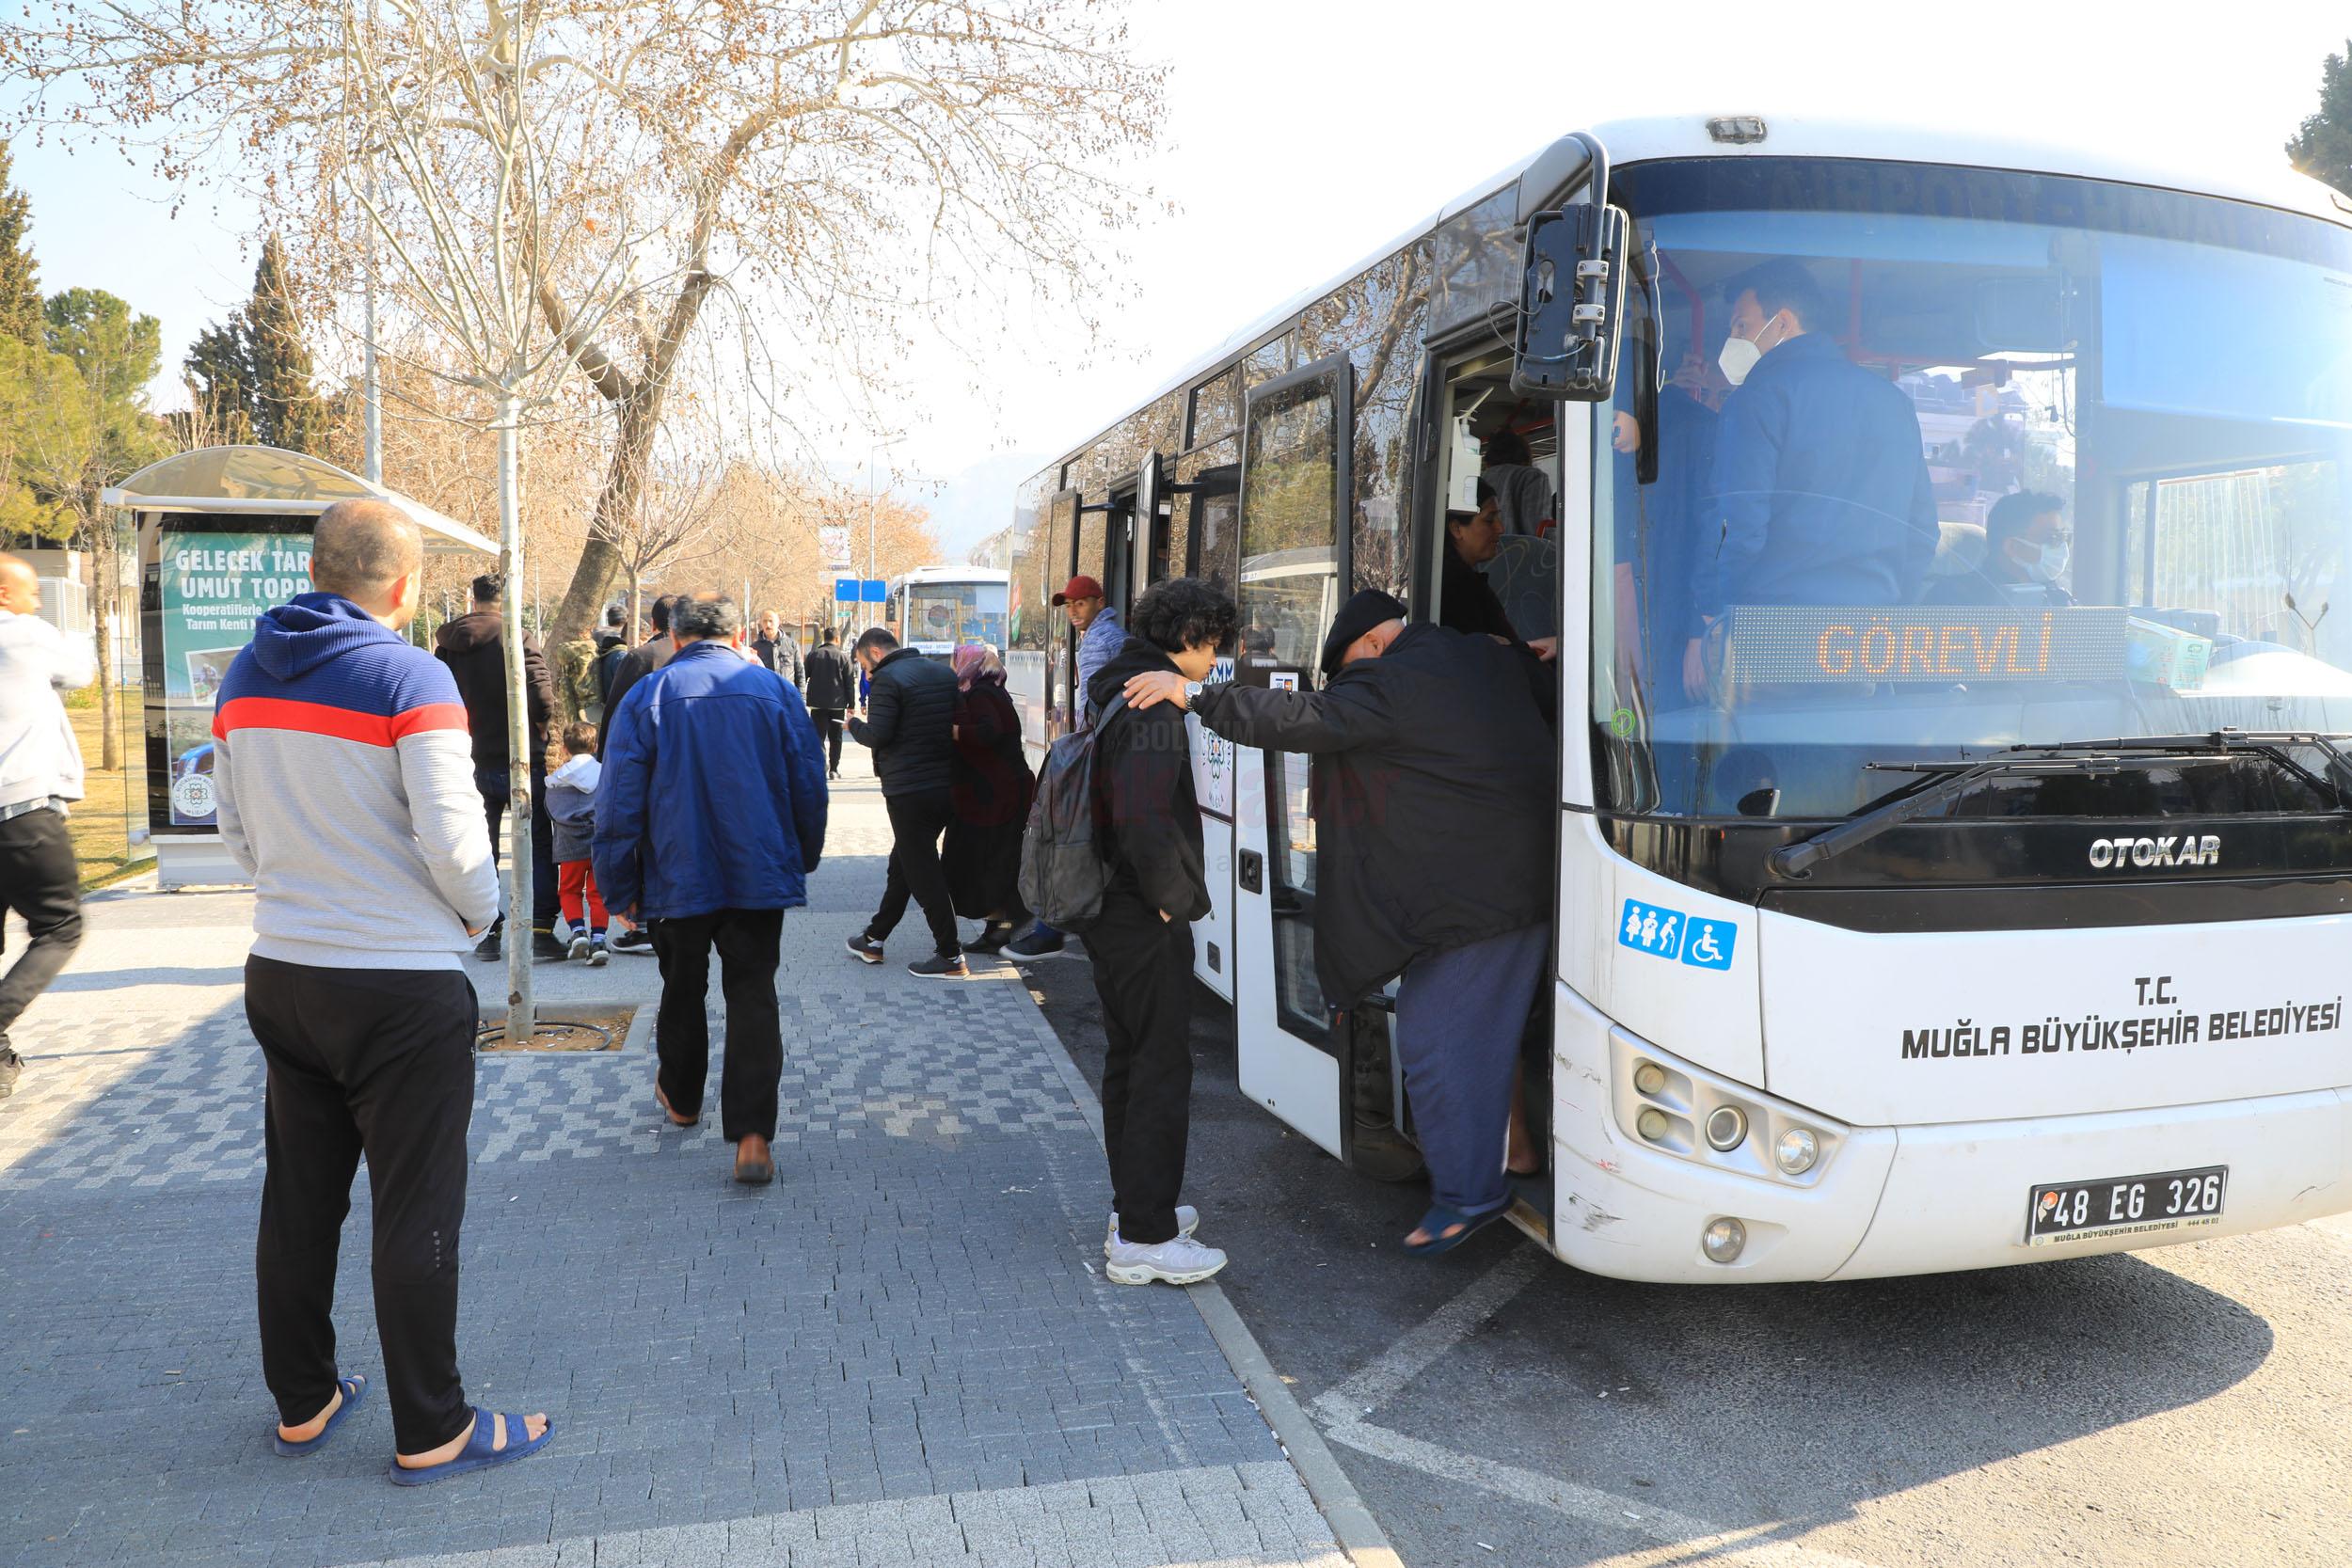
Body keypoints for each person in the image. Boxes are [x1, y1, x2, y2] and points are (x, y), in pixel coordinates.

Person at [211, 499, 551, 1483]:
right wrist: (482, 919)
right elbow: (454, 840)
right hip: (398, 985)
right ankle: (433, 1423)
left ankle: (304, 1399)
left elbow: (237, 829)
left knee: (300, 1200)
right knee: (418, 1205)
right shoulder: (410, 674)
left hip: (284, 971)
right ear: (403, 586)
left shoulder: (243, 671)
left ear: (316, 571)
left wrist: (295, 893)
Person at [1123, 589, 1554, 1256]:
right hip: (1514, 882)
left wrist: (1198, 698)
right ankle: (1516, 1152)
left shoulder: (1397, 677)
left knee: (1434, 1038)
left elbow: (1307, 718)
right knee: (1486, 1027)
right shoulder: (1479, 658)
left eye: (1352, 667)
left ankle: (1471, 1193)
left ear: (1375, 645)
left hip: (1481, 902)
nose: (1352, 681)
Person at [594, 592, 827, 1184]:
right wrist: (802, 855)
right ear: (738, 634)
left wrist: (617, 885)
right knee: (753, 996)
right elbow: (809, 783)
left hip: (676, 872)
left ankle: (682, 1097)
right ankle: (752, 1137)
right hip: (757, 874)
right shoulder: (774, 692)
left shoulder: (649, 696)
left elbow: (618, 802)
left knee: (681, 986)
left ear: (675, 638)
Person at [1687, 259, 1937, 697]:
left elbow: (1737, 525)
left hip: (1778, 639)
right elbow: (1922, 531)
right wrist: (1887, 603)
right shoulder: (1894, 403)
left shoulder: (1758, 398)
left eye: (1741, 326)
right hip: (1870, 642)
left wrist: (1710, 617)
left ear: (1782, 322)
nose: (1734, 340)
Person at [1087, 577, 1237, 1286]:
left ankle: (1135, 1208)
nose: (1216, 660)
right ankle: (1144, 1235)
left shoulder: (1117, 685)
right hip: (1140, 913)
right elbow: (1145, 820)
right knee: (1159, 1067)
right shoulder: (1155, 707)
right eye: (1214, 645)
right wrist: (1173, 903)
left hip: (1110, 910)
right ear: (1188, 636)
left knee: (1130, 1058)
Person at [0, 552, 94, 1101]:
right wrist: (75, 630)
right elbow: (80, 670)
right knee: (60, 928)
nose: (38, 601)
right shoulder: (26, 634)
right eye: (31, 591)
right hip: (23, 812)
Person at [433, 574, 562, 962]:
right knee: (537, 842)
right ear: (506, 599)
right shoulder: (518, 637)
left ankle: (487, 930)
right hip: (519, 757)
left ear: (472, 599)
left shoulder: (448, 646)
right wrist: (541, 727)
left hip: (469, 757)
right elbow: (541, 697)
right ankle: (540, 930)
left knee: (479, 846)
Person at [844, 626, 964, 975]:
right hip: (944, 787)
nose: (866, 673)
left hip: (907, 791)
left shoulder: (887, 679)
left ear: (876, 653)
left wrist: (854, 725)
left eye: (864, 664)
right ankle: (874, 938)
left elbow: (879, 734)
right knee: (904, 865)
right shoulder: (943, 674)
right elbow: (957, 724)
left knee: (923, 873)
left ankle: (950, 955)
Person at [944, 642, 1035, 954]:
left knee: (991, 864)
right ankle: (998, 930)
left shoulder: (982, 693)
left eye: (957, 661)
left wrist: (953, 731)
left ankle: (1005, 926)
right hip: (998, 793)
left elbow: (988, 732)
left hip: (998, 796)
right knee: (996, 864)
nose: (954, 666)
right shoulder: (990, 689)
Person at [544, 721, 609, 966]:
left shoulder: (556, 781)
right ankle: (599, 940)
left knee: (569, 891)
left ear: (564, 750)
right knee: (598, 892)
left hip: (569, 845)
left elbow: (551, 811)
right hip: (599, 843)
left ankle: (578, 932)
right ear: (595, 746)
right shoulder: (604, 773)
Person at [598, 594, 677, 759]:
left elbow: (615, 710)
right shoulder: (703, 658)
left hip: (647, 757)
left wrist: (603, 758)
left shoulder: (642, 657)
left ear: (653, 623)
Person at [803, 625, 855, 780]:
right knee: (836, 737)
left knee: (818, 737)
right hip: (837, 704)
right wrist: (851, 705)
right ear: (838, 639)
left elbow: (803, 676)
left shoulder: (814, 655)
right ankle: (834, 769)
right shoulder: (843, 657)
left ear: (824, 638)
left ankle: (821, 765)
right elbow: (849, 683)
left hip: (817, 704)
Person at [1480, 429, 1554, 536]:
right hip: (1519, 550)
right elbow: (1538, 527)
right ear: (1524, 455)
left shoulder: (1481, 478)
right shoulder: (1533, 476)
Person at [752, 610, 803, 689]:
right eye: (765, 621)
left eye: (771, 621)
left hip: (788, 694)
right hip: (767, 694)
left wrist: (802, 698)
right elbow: (752, 676)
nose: (768, 624)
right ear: (761, 623)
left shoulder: (792, 645)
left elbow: (800, 673)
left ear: (778, 622)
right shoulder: (755, 648)